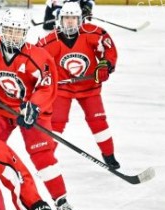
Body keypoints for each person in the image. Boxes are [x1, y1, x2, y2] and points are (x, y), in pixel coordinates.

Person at [0, 9, 78, 210]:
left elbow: (47, 87)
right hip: (0, 110)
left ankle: (60, 199)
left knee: (43, 156)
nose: (12, 36)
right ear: (2, 30)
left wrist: (33, 107)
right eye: (9, 30)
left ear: (25, 33)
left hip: (32, 112)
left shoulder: (38, 57)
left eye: (18, 32)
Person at [38, 2, 120, 169]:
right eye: (66, 18)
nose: (70, 22)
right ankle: (46, 162)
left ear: (80, 19)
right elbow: (36, 62)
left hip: (89, 88)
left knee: (98, 121)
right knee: (56, 123)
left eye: (74, 18)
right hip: (62, 89)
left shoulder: (93, 33)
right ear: (59, 19)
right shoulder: (49, 42)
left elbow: (108, 50)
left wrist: (105, 64)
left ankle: (109, 155)